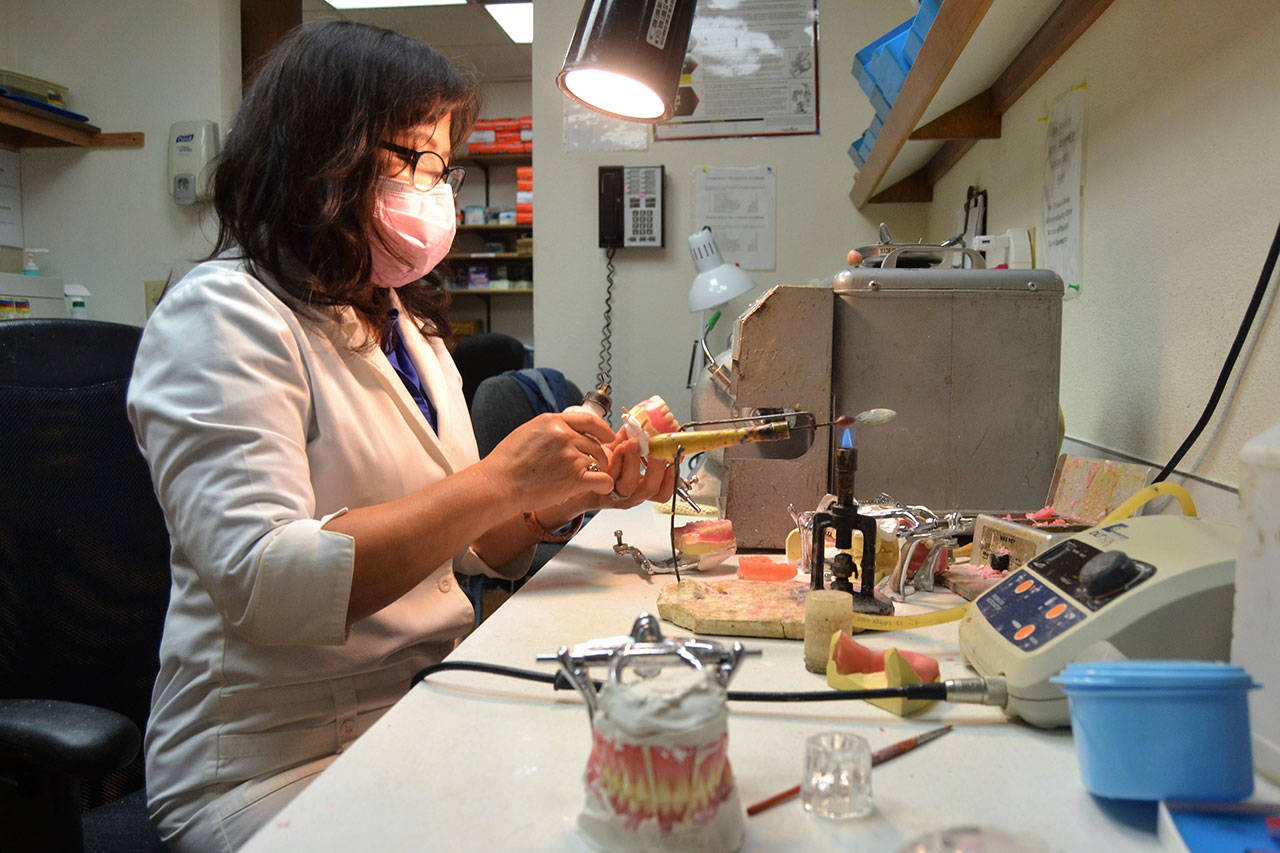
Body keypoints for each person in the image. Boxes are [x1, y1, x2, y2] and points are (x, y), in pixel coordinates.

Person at [127, 21, 674, 851]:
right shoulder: (221, 316)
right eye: (412, 160)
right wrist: (500, 479)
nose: (434, 190)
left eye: (441, 168)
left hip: (420, 707)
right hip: (274, 757)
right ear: (322, 153)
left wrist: (556, 496)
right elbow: (268, 582)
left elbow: (475, 549)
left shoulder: (402, 328)